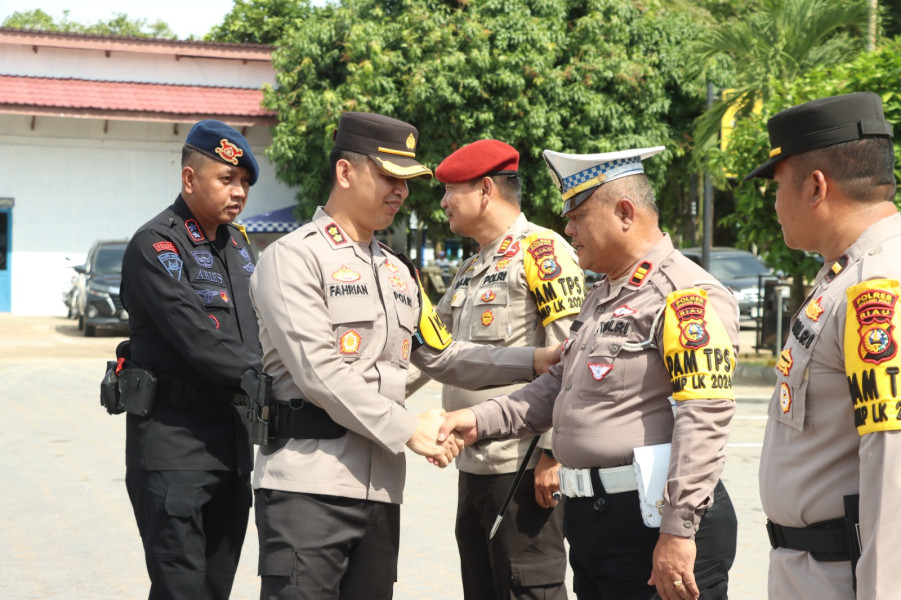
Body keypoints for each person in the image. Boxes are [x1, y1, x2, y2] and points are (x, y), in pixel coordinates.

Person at [248, 112, 562, 600]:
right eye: (389, 177)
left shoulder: (398, 273)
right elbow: (318, 372)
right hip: (307, 488)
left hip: (380, 492)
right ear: (345, 173)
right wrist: (407, 429)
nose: (401, 192)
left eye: (408, 181)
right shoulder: (292, 258)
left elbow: (440, 353)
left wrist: (533, 361)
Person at [439, 145, 741, 600]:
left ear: (624, 212)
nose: (568, 228)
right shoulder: (604, 295)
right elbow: (556, 387)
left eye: (578, 215)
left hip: (653, 523)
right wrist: (479, 420)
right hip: (597, 521)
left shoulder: (685, 295)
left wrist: (679, 533)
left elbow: (704, 419)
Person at [745, 91, 901, 599]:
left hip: (842, 574)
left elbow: (893, 460)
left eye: (776, 186)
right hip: (814, 566)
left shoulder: (875, 287)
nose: (773, 203)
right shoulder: (845, 274)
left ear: (815, 186)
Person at [418, 139, 582, 600]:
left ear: (486, 189)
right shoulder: (470, 268)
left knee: (528, 586)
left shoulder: (543, 253)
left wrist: (553, 453)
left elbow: (569, 355)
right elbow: (433, 351)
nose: (444, 202)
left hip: (525, 465)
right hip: (473, 462)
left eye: (452, 190)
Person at [119, 120, 264, 599]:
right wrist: (280, 382)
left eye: (244, 182)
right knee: (181, 591)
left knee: (214, 589)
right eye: (227, 179)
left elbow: (268, 328)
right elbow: (199, 340)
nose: (238, 191)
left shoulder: (240, 247)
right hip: (174, 451)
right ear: (189, 178)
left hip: (232, 450)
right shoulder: (155, 246)